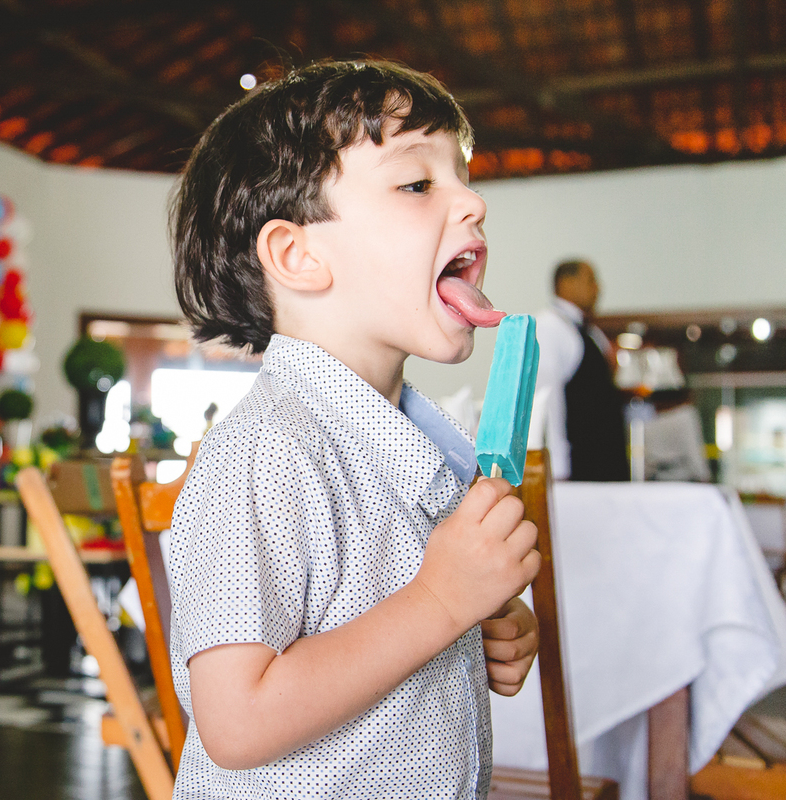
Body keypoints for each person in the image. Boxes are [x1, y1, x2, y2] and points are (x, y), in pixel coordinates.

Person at [168, 60, 541, 799]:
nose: (473, 201)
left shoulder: (417, 446)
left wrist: (478, 625)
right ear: (298, 256)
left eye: (462, 176)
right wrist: (439, 603)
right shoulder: (269, 449)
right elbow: (238, 720)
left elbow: (396, 625)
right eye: (417, 184)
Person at [534, 259, 630, 481]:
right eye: (591, 280)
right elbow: (548, 399)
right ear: (566, 283)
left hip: (604, 467)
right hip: (579, 470)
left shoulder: (592, 332)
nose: (598, 288)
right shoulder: (549, 327)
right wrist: (557, 467)